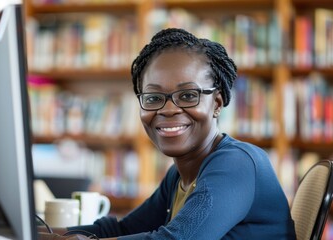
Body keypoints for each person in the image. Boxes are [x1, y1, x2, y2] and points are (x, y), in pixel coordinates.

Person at [39, 28, 296, 240]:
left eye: (187, 95)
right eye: (153, 97)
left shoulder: (238, 163)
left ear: (217, 103)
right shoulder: (178, 176)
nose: (169, 109)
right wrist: (30, 234)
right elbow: (122, 230)